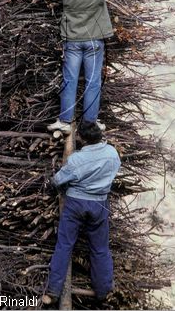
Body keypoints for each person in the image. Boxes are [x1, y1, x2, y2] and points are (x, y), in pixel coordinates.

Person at [34, 0, 113, 134]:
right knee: (93, 82)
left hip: (73, 37)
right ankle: (90, 123)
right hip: (94, 38)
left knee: (70, 80)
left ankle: (66, 121)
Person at [43, 122, 121, 304]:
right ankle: (103, 291)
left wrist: (52, 181)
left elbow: (58, 180)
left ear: (83, 140)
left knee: (64, 245)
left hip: (76, 204)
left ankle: (53, 291)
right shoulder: (112, 153)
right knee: (100, 248)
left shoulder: (77, 159)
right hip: (100, 204)